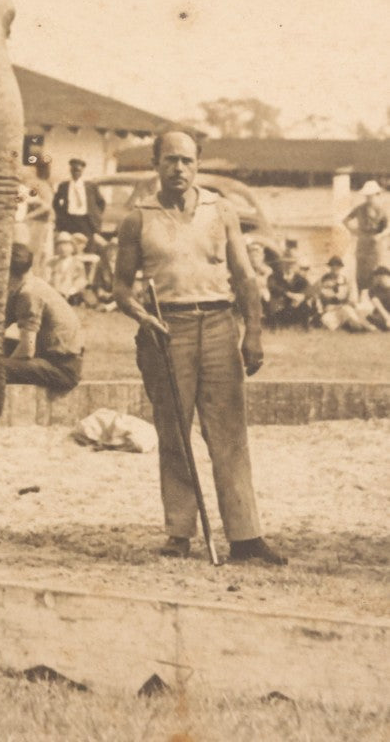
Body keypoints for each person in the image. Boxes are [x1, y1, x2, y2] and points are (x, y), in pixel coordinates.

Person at [114, 131, 285, 565]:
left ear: (198, 165)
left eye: (187, 161)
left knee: (229, 433)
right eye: (170, 160)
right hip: (165, 330)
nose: (179, 169)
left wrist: (254, 332)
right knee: (174, 434)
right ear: (156, 164)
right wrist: (141, 316)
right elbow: (120, 287)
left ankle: (246, 538)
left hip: (219, 325)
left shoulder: (221, 211)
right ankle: (179, 533)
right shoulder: (137, 218)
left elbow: (246, 276)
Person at [3, 243, 84, 393]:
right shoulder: (33, 283)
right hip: (57, 358)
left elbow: (27, 349)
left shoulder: (28, 294)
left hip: (62, 368)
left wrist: (5, 365)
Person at [342, 180, 388, 290]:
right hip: (362, 242)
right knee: (361, 270)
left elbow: (388, 228)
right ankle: (361, 294)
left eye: (371, 195)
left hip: (375, 243)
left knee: (375, 270)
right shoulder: (359, 208)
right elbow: (345, 220)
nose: (369, 198)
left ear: (377, 195)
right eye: (367, 196)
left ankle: (373, 295)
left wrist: (380, 236)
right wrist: (354, 231)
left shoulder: (382, 210)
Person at [53, 157, 106, 245]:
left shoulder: (91, 186)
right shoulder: (64, 186)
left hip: (86, 221)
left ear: (82, 171)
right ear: (70, 170)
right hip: (69, 221)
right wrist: (61, 215)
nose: (76, 173)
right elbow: (55, 203)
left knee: (88, 245)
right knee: (70, 245)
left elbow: (101, 202)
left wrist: (96, 214)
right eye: (74, 170)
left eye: (78, 170)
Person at [314, 256, 370, 332]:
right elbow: (317, 297)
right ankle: (350, 326)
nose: (335, 268)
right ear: (330, 267)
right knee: (327, 322)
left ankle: (361, 327)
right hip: (330, 311)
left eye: (337, 266)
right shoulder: (323, 281)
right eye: (333, 266)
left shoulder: (346, 281)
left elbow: (352, 300)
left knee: (347, 311)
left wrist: (343, 304)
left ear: (341, 267)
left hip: (344, 308)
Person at [14, 166, 54, 274]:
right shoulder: (21, 187)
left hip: (34, 224)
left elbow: (46, 206)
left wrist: (28, 216)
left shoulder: (36, 186)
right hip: (23, 224)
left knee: (33, 253)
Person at [266, 248, 313, 329]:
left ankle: (303, 327)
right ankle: (279, 325)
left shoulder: (299, 278)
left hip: (293, 308)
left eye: (293, 263)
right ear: (282, 263)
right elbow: (272, 287)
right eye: (287, 263)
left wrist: (302, 296)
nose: (290, 266)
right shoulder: (275, 276)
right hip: (280, 308)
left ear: (296, 265)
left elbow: (309, 289)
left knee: (305, 304)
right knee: (275, 305)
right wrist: (289, 294)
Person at [48, 231, 91, 304]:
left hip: (70, 292)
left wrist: (72, 290)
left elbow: (81, 279)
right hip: (53, 290)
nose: (63, 248)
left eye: (67, 245)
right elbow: (47, 276)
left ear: (72, 247)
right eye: (60, 245)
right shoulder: (51, 262)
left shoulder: (77, 263)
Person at [362, 266, 390, 332]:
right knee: (371, 318)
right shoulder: (372, 291)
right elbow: (378, 305)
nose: (374, 279)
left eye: (376, 276)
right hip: (381, 315)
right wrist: (387, 318)